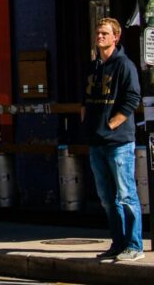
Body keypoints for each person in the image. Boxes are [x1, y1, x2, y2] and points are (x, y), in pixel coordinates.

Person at [83, 17, 144, 262]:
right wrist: (87, 125)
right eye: (98, 33)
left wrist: (111, 124)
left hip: (119, 143)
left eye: (104, 33)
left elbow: (132, 99)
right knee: (108, 199)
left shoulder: (124, 65)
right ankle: (118, 244)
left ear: (115, 37)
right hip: (96, 143)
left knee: (127, 195)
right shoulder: (94, 67)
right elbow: (85, 100)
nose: (99, 37)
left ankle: (135, 246)